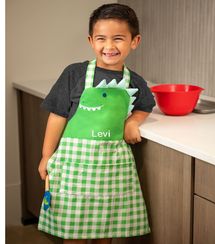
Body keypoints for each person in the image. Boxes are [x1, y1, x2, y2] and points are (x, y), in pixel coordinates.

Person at [38, 3, 155, 244]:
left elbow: (146, 105)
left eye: (119, 38)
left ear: (135, 41)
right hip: (74, 169)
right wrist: (46, 155)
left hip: (112, 170)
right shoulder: (74, 74)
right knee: (73, 235)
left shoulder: (135, 81)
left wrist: (133, 121)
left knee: (105, 230)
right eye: (101, 38)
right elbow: (57, 116)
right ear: (91, 41)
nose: (109, 46)